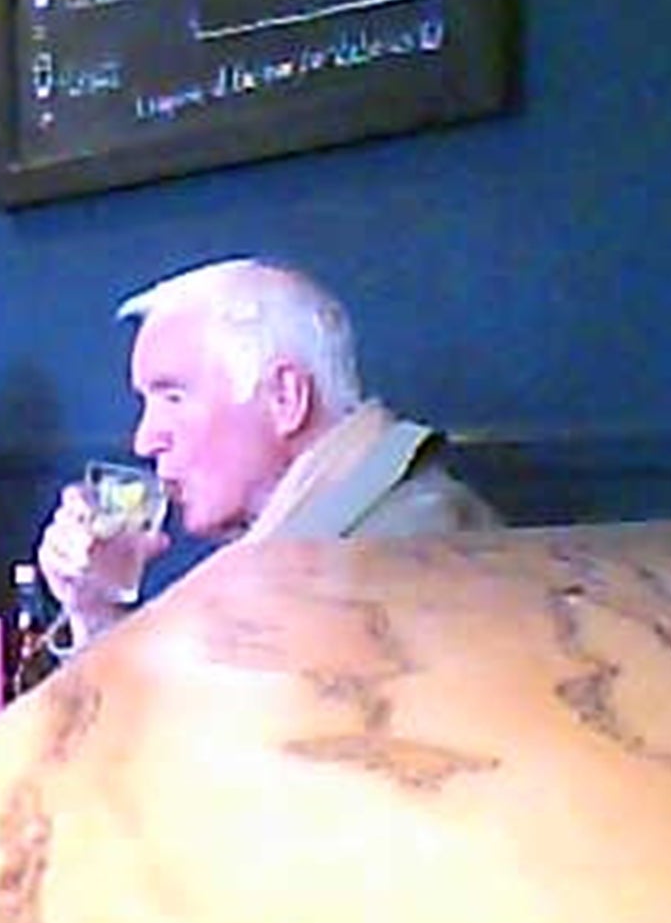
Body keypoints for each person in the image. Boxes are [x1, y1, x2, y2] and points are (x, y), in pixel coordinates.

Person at [37, 258, 500, 649]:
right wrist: (98, 609)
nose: (145, 440)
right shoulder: (323, 532)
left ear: (284, 399)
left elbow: (188, 748)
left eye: (173, 397)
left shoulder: (399, 561)